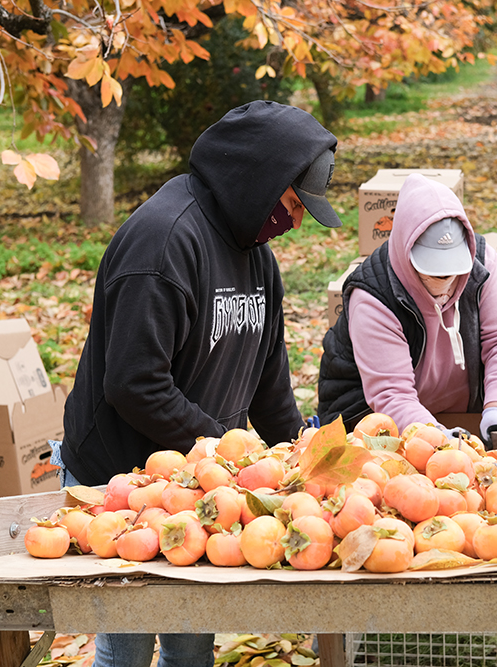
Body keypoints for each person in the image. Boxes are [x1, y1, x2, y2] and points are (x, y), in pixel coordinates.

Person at [55, 100, 342, 667]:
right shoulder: (162, 244)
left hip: (197, 475)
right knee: (127, 648)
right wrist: (225, 450)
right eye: (291, 203)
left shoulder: (255, 253)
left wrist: (307, 464)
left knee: (191, 642)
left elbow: (268, 378)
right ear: (258, 182)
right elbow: (134, 384)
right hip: (120, 477)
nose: (296, 220)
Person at [317, 173, 497, 446]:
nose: (447, 282)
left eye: (455, 271)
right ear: (408, 253)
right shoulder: (372, 297)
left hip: (455, 414)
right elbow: (392, 395)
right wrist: (436, 438)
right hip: (371, 422)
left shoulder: (482, 265)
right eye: (434, 272)